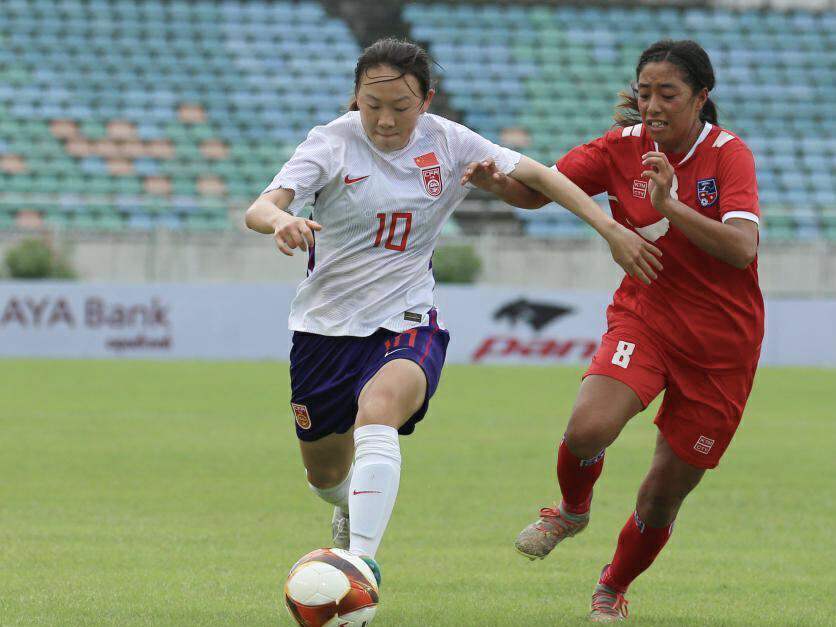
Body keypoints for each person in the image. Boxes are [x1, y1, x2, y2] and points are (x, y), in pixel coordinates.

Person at [245, 38, 661, 587]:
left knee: (378, 412)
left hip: (407, 318)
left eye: (401, 107)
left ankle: (360, 566)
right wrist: (281, 221)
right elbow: (261, 207)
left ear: (426, 100)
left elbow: (541, 176)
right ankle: (347, 504)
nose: (385, 120)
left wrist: (608, 228)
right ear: (356, 97)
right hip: (324, 329)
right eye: (372, 105)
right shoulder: (330, 143)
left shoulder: (449, 140)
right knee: (325, 476)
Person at [463, 39, 762, 622]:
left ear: (701, 96)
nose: (652, 105)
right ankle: (571, 511)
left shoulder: (729, 155)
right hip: (646, 317)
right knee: (588, 429)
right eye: (644, 92)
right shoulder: (621, 146)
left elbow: (742, 248)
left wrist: (669, 206)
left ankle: (613, 586)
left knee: (660, 496)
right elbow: (544, 189)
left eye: (668, 94)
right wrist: (500, 187)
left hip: (721, 347)